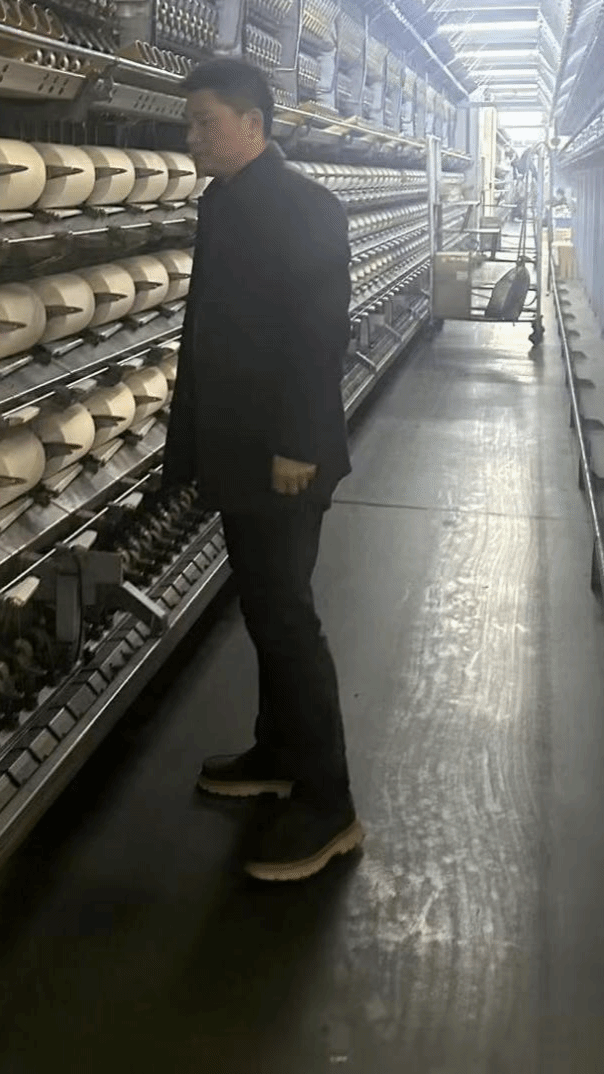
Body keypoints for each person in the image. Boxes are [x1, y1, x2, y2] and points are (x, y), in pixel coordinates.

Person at [161, 58, 363, 883]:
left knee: (286, 618)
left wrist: (298, 445)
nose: (191, 137)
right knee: (265, 608)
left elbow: (318, 336)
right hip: (242, 449)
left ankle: (329, 804)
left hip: (284, 455)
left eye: (203, 122)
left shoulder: (304, 206)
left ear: (252, 123)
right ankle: (278, 753)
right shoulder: (228, 201)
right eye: (189, 122)